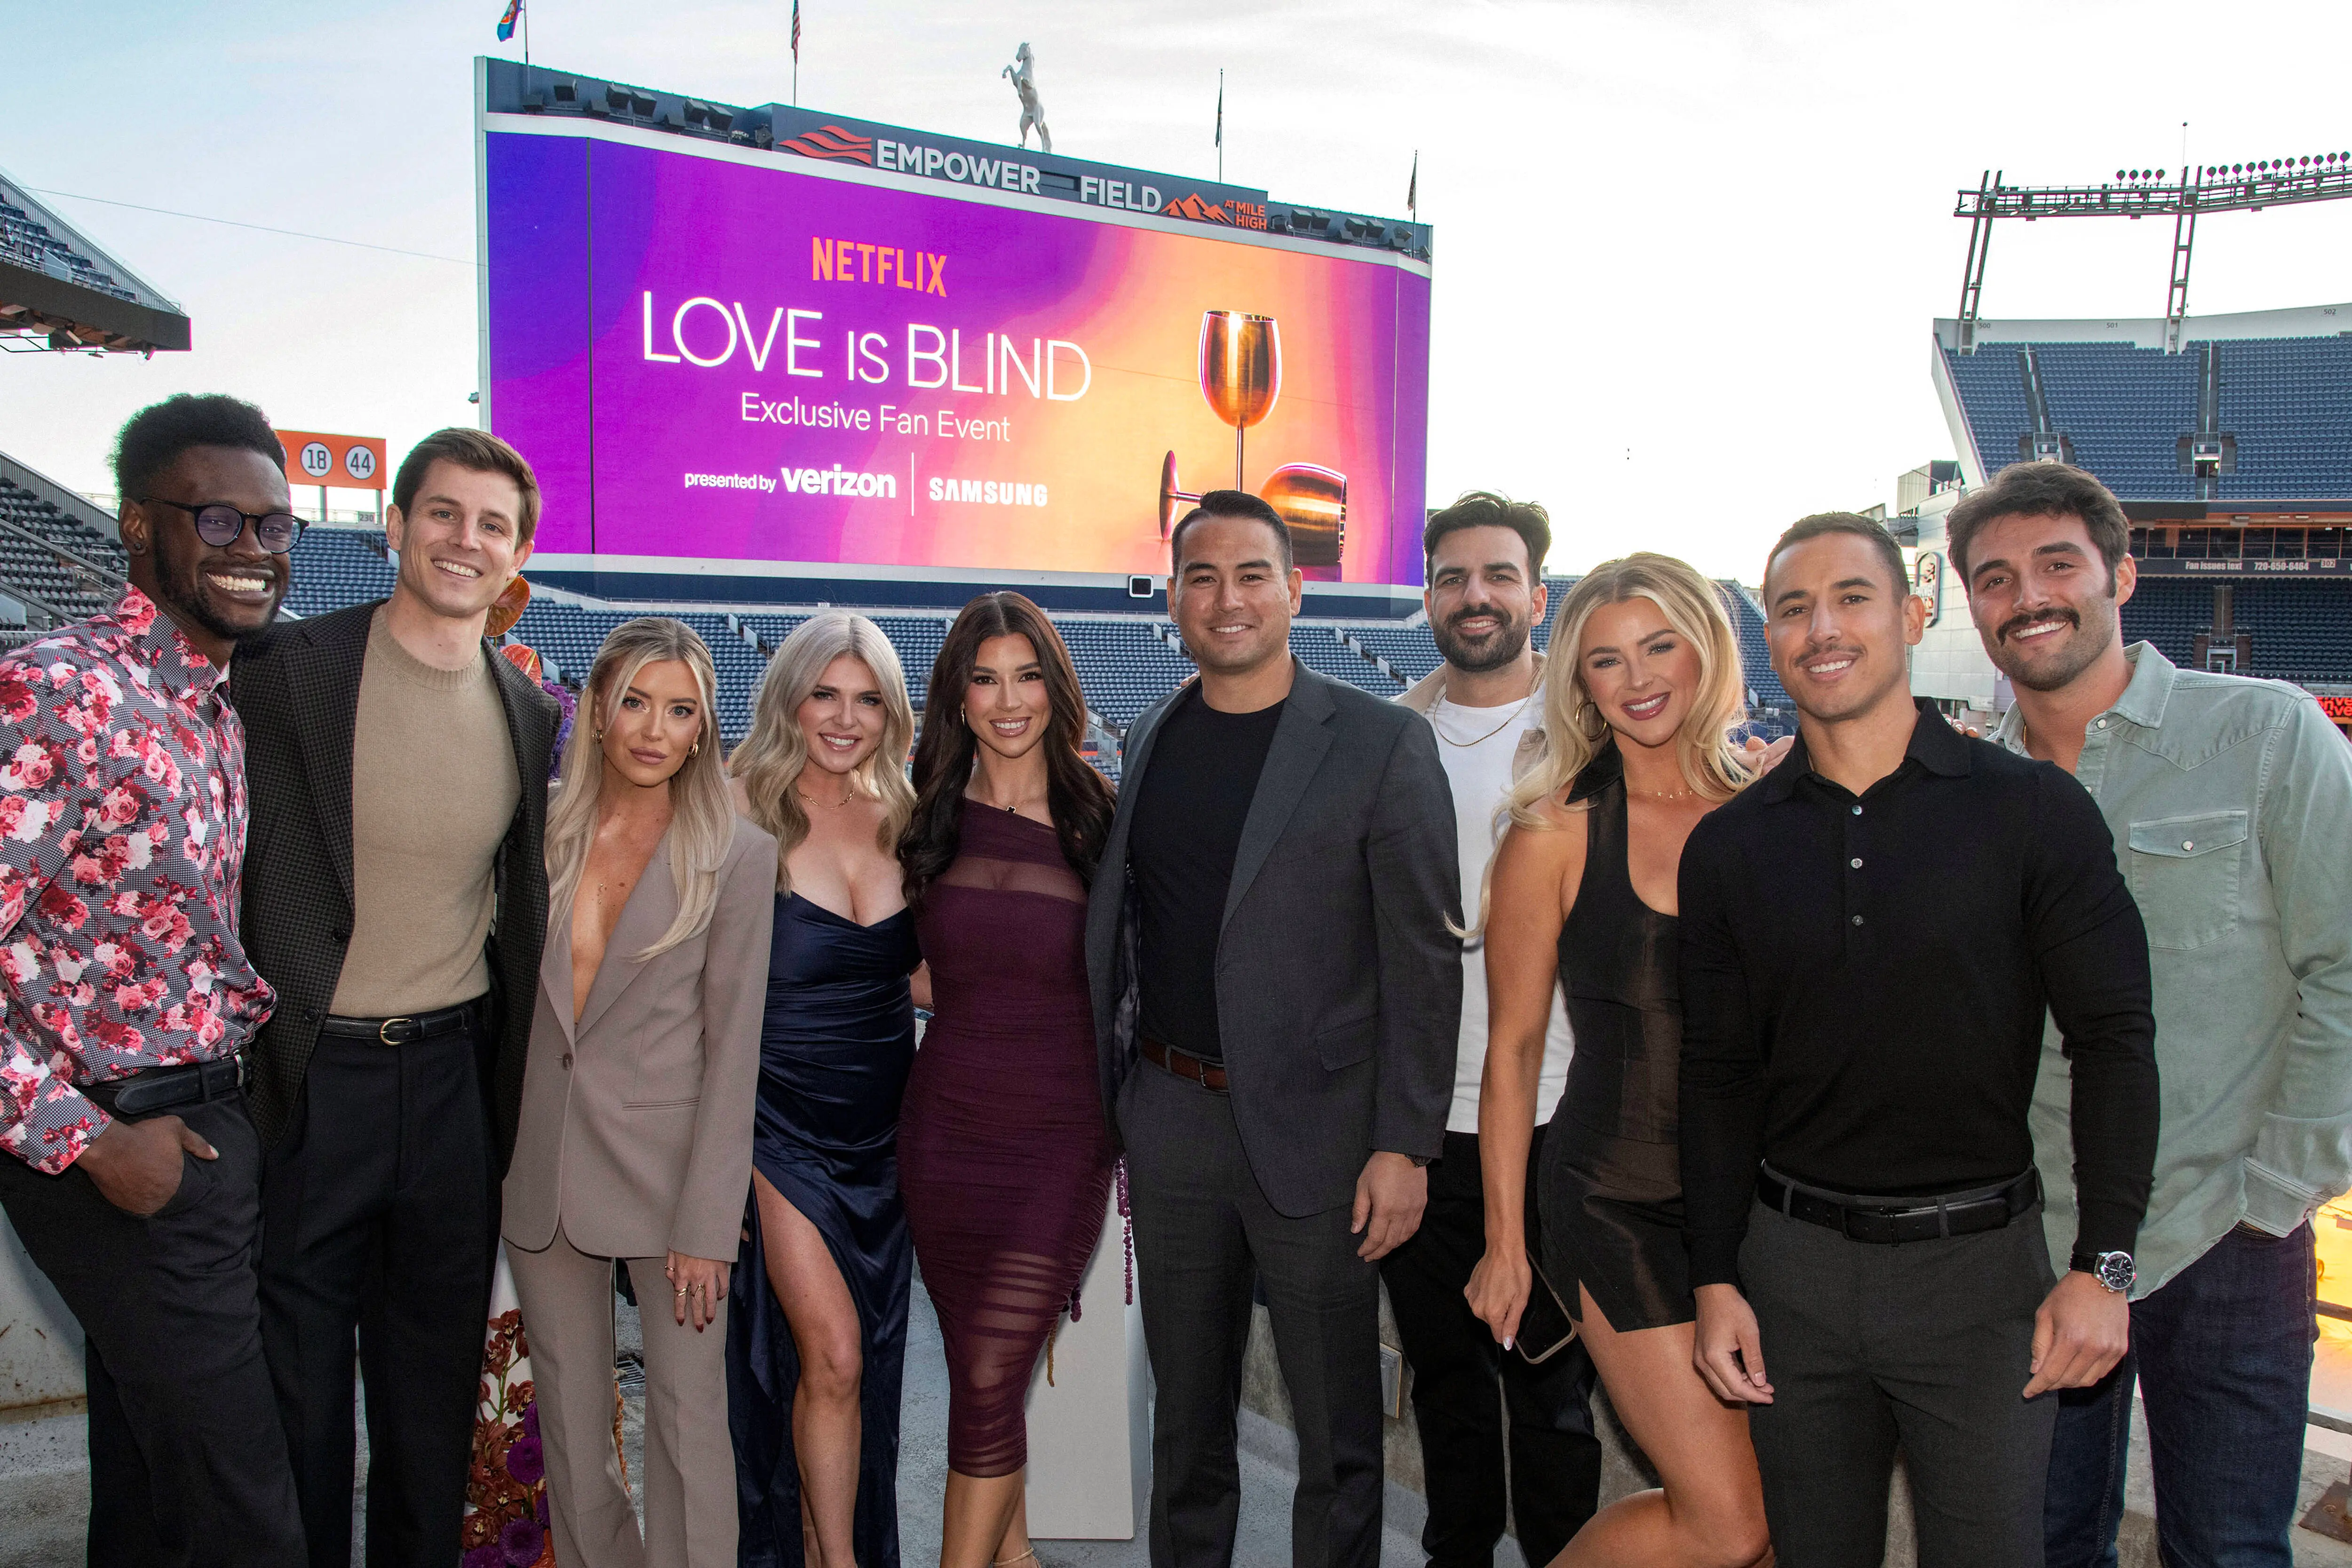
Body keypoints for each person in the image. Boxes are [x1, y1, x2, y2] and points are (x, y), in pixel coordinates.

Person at [1677, 511, 2160, 1568]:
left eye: (1851, 596)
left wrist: (2104, 1267)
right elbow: (1716, 1078)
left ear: (1910, 612)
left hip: (1980, 1281)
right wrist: (1714, 1278)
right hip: (1790, 1271)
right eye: (1792, 607)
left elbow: (2115, 1039)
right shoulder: (1730, 847)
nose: (1821, 627)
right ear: (1770, 637)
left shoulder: (2033, 811)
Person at [1945, 462, 2352, 1568]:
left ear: (2122, 573)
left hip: (2224, 1234)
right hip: (2034, 1239)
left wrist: (2269, 1197)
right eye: (1993, 578)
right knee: (2037, 1543)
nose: (2026, 595)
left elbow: (2348, 970)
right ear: (1969, 606)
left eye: (2056, 564)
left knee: (2223, 1549)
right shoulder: (1967, 792)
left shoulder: (2265, 735)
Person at [1084, 490, 1462, 1568]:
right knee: (1187, 1420)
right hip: (1174, 1124)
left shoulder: (1381, 743)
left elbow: (1424, 961)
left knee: (1339, 1436)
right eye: (1202, 576)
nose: (1227, 597)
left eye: (1252, 573)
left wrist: (1404, 1143)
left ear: (1296, 590)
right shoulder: (1154, 731)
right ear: (1172, 599)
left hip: (1324, 1136)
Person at [234, 427, 563, 1568]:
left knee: (431, 1412)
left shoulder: (529, 713)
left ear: (515, 554)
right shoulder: (283, 673)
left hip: (451, 1088)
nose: (463, 540)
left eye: (491, 525)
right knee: (300, 1403)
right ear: (395, 524)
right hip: (308, 1079)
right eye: (442, 513)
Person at [0, 395, 303, 1568]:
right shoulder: (63, 691)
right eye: (218, 518)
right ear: (139, 528)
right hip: (115, 1146)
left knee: (151, 1485)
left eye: (274, 528)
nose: (253, 551)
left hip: (200, 1126)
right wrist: (82, 1139)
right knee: (245, 1511)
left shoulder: (211, 704)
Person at [1465, 552, 1772, 1568]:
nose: (1637, 678)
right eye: (1605, 661)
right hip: (1618, 1204)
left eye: (1657, 646)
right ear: (1580, 685)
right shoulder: (1554, 829)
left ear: (1706, 649)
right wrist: (1506, 1243)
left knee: (1776, 1516)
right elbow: (1510, 1051)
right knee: (1726, 1520)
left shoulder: (1776, 814)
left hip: (1769, 1210)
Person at [501, 618, 777, 1567]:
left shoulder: (736, 855)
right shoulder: (537, 833)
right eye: (635, 703)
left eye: (681, 709)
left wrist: (709, 1220)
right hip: (541, 1175)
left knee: (688, 1427)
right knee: (573, 1437)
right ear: (598, 711)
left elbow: (734, 1049)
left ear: (703, 728)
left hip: (672, 1189)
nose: (655, 729)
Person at [1386, 493, 1604, 1568]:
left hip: (1562, 1121)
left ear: (1537, 596)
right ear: (1428, 596)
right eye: (1454, 577)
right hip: (1423, 1120)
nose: (1476, 596)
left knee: (1554, 1394)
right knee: (1446, 1388)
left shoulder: (1593, 742)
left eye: (1498, 575)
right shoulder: (1385, 740)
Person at [898, 591, 1120, 1568]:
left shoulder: (1101, 814)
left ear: (1056, 686)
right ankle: (1014, 1555)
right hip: (944, 1134)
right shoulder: (923, 816)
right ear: (957, 695)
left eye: (1027, 674)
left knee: (991, 1370)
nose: (1007, 698)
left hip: (1061, 1139)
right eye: (984, 677)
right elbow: (896, 963)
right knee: (979, 1372)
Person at [725, 610, 920, 1568]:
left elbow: (923, 976)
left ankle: (816, 1543)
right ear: (789, 699)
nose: (845, 719)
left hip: (885, 1135)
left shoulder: (910, 818)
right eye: (825, 694)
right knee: (833, 1350)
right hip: (775, 1124)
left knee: (853, 1366)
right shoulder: (735, 805)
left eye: (868, 699)